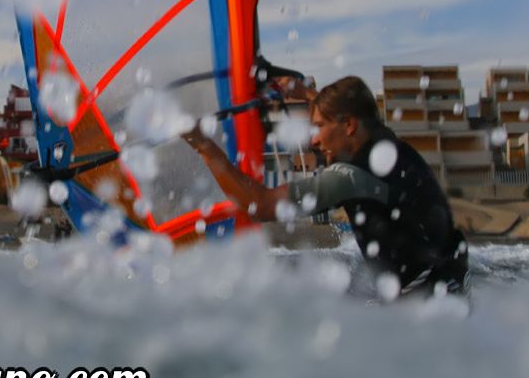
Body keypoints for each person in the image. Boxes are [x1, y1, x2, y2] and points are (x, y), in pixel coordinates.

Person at [182, 75, 469, 299]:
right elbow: (351, 111)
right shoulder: (388, 145)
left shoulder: (350, 177)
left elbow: (260, 204)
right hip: (450, 287)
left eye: (319, 127)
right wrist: (305, 93)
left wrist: (202, 144)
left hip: (418, 309)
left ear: (349, 126)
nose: (314, 140)